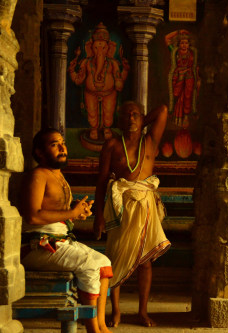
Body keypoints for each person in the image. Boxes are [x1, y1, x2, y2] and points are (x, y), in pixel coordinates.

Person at [21, 128, 112, 333]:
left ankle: (101, 325)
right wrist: (70, 211)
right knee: (90, 265)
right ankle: (92, 329)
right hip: (37, 246)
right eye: (54, 144)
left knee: (104, 263)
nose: (63, 148)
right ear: (40, 152)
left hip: (59, 240)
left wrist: (76, 214)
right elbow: (33, 216)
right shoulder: (38, 175)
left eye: (63, 143)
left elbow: (58, 214)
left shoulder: (59, 176)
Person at [94, 101, 171, 327]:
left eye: (135, 114)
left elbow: (163, 109)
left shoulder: (150, 141)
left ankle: (142, 312)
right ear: (118, 120)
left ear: (143, 117)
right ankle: (115, 311)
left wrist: (140, 122)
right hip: (121, 206)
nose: (131, 118)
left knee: (145, 262)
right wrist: (98, 216)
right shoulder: (111, 145)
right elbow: (101, 182)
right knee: (116, 258)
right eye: (126, 115)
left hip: (146, 206)